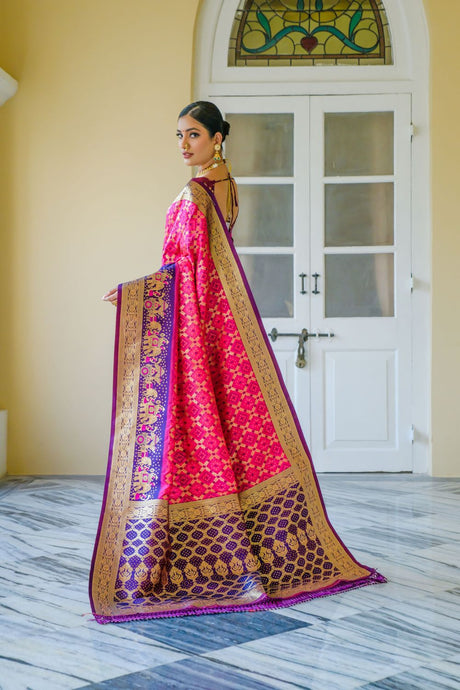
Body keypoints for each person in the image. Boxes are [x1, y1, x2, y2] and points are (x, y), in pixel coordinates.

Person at [89, 101, 385, 623]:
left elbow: (183, 271)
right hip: (213, 325)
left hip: (195, 327)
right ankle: (251, 541)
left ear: (218, 138)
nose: (184, 145)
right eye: (179, 135)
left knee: (190, 432)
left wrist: (135, 295)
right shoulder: (225, 186)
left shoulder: (196, 195)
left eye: (194, 135)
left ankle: (199, 552)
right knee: (228, 430)